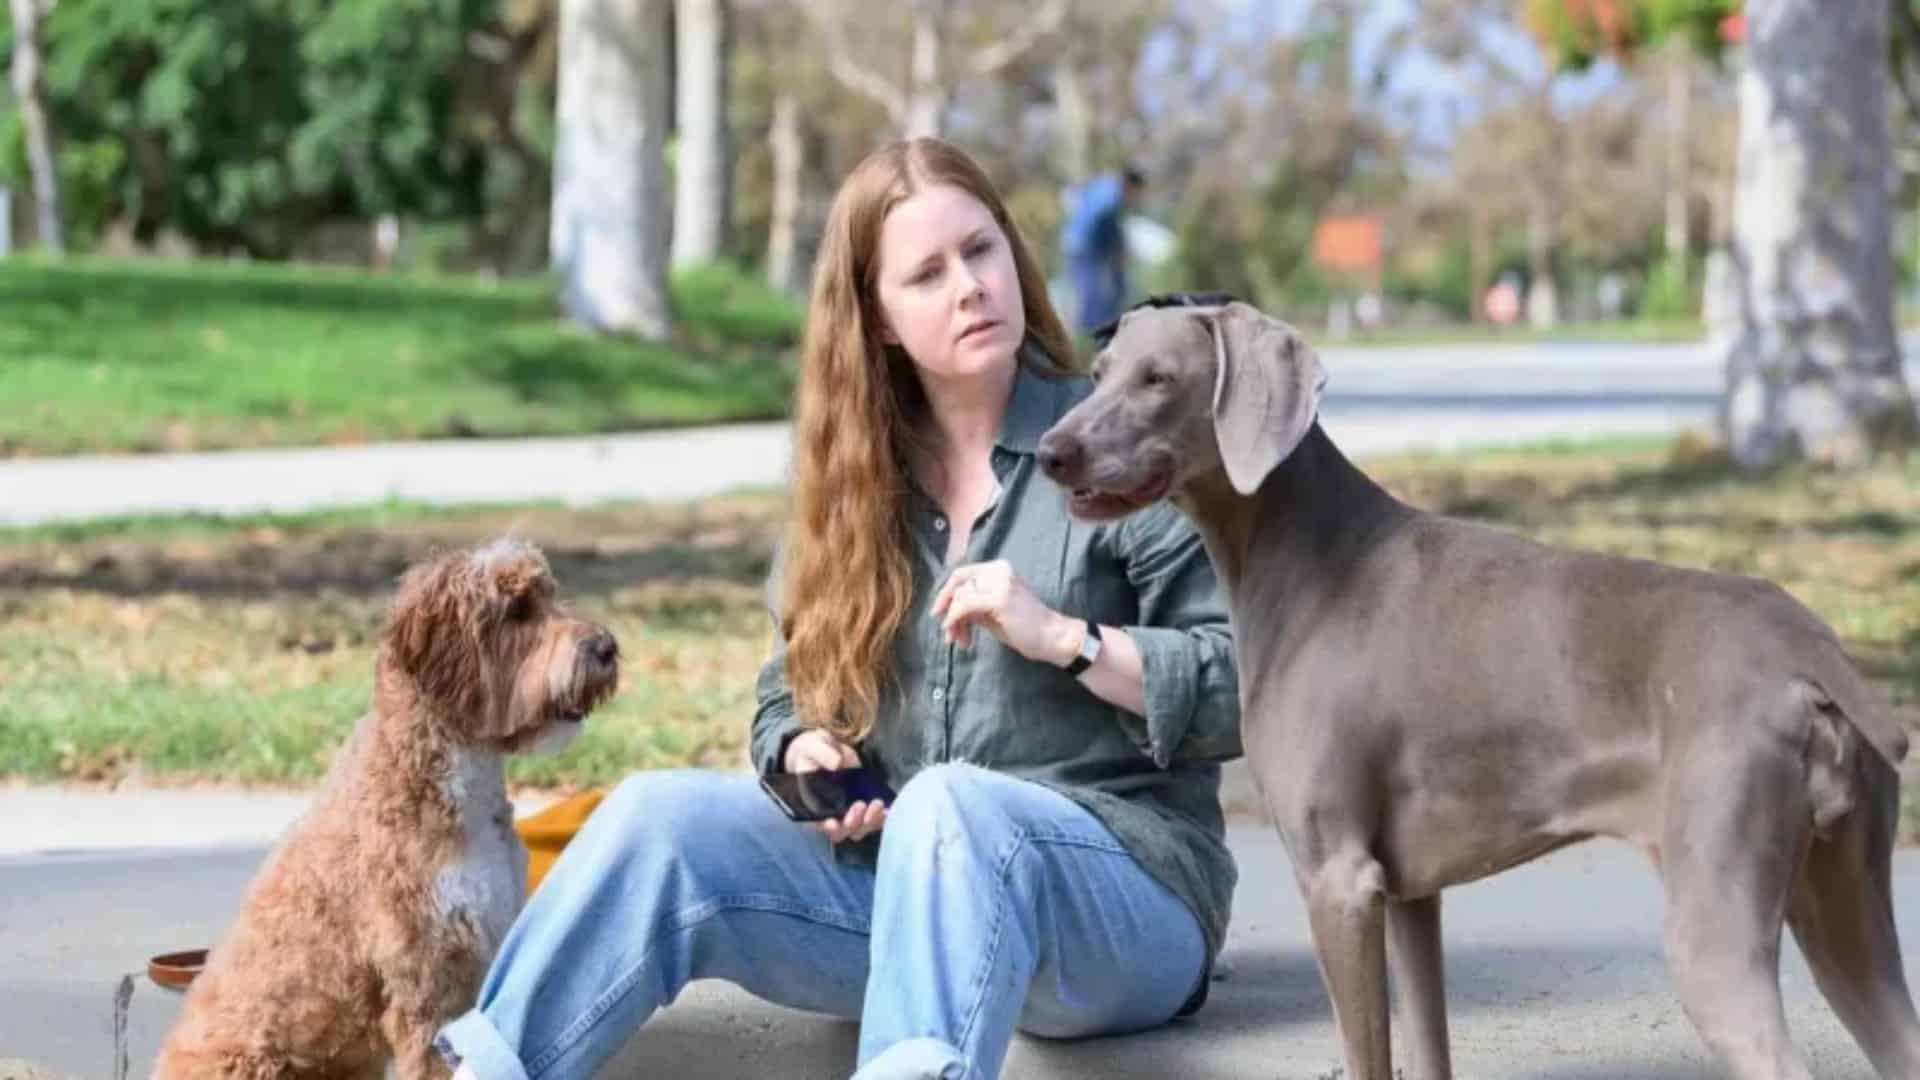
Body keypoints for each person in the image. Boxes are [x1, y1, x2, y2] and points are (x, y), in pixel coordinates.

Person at [433, 138, 1241, 1080]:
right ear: (882, 321)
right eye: (928, 274)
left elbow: (1244, 687)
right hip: (911, 900)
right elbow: (789, 692)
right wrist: (803, 754)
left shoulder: (1128, 443)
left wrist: (1066, 639)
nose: (970, 287)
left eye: (981, 252)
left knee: (950, 808)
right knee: (657, 817)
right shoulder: (857, 489)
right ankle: (476, 1071)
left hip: (1128, 904)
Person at [1059, 165, 1144, 336]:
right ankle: (1088, 335)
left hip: (1073, 241)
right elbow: (1104, 229)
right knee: (1090, 296)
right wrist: (1117, 253)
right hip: (1085, 248)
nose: (1135, 197)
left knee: (1083, 292)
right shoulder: (1111, 201)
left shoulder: (1104, 184)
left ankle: (1086, 330)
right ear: (1130, 186)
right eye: (1136, 192)